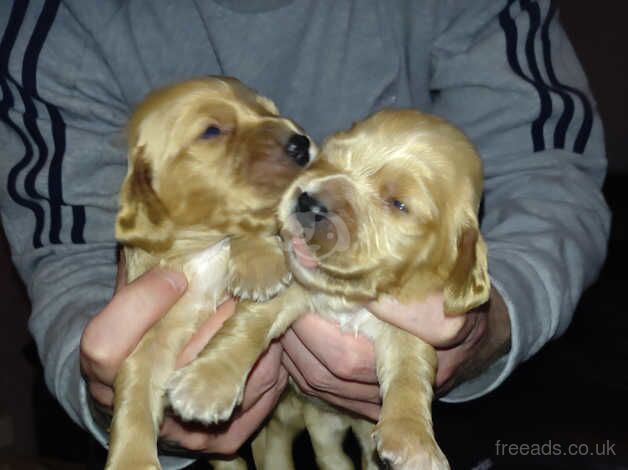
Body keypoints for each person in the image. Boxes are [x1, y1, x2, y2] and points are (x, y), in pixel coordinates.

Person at [0, 1, 610, 468]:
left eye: (394, 199)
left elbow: (546, 164)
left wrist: (493, 315)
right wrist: (111, 390)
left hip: (471, 408)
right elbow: (69, 242)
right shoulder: (55, 16)